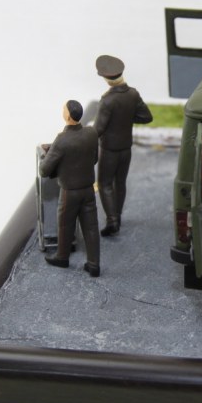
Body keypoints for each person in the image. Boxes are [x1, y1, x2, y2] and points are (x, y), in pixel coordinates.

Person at [39, 100, 101, 277]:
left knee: (65, 225)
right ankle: (94, 264)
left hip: (69, 192)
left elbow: (44, 170)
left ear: (67, 115)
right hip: (88, 189)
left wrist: (48, 154)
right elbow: (94, 159)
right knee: (91, 227)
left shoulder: (62, 139)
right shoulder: (91, 133)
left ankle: (62, 256)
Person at [94, 55, 153, 237]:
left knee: (104, 183)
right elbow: (147, 117)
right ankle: (117, 216)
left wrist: (83, 137)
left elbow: (98, 129)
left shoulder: (107, 100)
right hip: (126, 148)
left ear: (106, 78)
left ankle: (112, 221)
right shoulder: (133, 94)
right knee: (120, 183)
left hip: (109, 150)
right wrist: (126, 119)